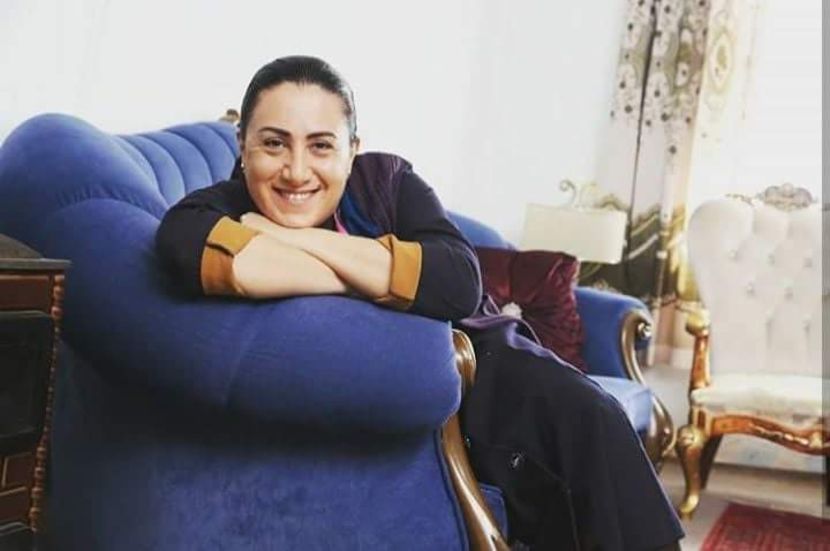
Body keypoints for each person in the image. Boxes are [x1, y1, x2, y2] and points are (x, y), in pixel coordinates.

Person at [155, 55, 684, 551]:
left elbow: (456, 282)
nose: (296, 171)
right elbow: (185, 251)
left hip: (485, 357)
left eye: (321, 146)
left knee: (593, 421)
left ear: (352, 150)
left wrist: (290, 238)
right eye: (274, 144)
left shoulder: (386, 181)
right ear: (243, 144)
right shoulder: (217, 209)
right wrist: (375, 274)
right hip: (406, 390)